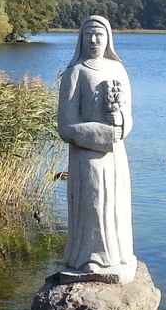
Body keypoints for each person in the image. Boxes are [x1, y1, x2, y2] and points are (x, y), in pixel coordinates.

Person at [57, 16, 136, 284]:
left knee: (114, 206)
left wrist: (120, 125)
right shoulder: (75, 72)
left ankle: (118, 256)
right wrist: (103, 135)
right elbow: (66, 126)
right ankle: (88, 258)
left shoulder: (118, 70)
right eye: (89, 35)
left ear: (108, 39)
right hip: (86, 157)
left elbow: (129, 117)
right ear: (81, 38)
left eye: (99, 35)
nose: (94, 40)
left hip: (115, 158)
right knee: (92, 205)